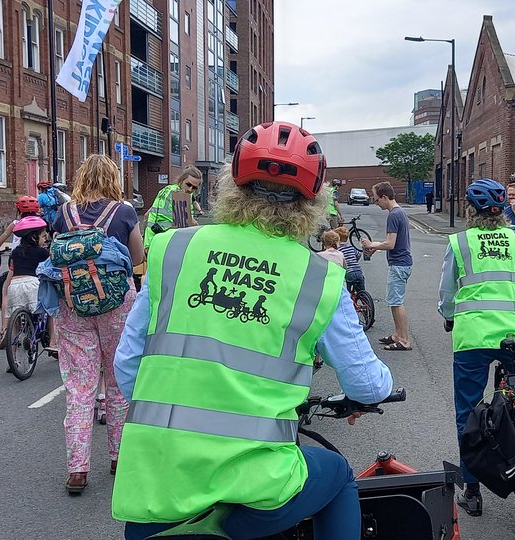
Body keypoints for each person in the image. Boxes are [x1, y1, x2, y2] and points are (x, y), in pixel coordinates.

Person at [112, 120, 393, 540]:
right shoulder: (319, 278)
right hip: (258, 487)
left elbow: (128, 369)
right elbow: (368, 386)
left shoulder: (173, 249)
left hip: (160, 482)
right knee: (337, 476)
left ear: (231, 186)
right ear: (312, 203)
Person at [438, 178, 515, 517]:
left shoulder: (460, 243)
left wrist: (448, 315)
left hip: (472, 339)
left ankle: (473, 491)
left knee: (467, 410)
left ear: (469, 210)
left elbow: (447, 293)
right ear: (501, 211)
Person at [49, 155, 144, 494]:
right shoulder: (124, 211)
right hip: (117, 305)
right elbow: (136, 258)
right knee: (117, 383)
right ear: (112, 178)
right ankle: (119, 456)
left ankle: (77, 469)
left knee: (79, 387)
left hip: (74, 305)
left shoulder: (63, 214)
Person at [362, 181, 412, 351]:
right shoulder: (399, 213)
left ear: (384, 197)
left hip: (399, 264)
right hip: (401, 262)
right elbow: (393, 243)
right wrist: (375, 247)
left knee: (396, 302)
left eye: (376, 200)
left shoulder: (394, 215)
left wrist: (371, 245)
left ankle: (404, 339)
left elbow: (390, 244)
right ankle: (397, 335)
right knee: (393, 301)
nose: (376, 203)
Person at [0, 216, 49, 344]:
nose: (46, 239)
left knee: (15, 322)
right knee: (50, 309)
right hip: (32, 284)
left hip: (14, 286)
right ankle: (53, 342)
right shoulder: (42, 252)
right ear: (34, 237)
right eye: (43, 236)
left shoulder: (15, 252)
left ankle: (12, 351)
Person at [144, 167, 203, 251]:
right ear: (181, 180)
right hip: (164, 243)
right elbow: (183, 229)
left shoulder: (166, 189)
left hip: (151, 241)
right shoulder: (180, 195)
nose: (190, 189)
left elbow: (147, 215)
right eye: (188, 185)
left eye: (194, 188)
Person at [334, 227, 364, 292]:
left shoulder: (339, 250)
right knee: (361, 290)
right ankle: (364, 298)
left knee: (347, 291)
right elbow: (358, 254)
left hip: (349, 273)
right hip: (358, 271)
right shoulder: (351, 247)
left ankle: (348, 298)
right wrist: (354, 260)